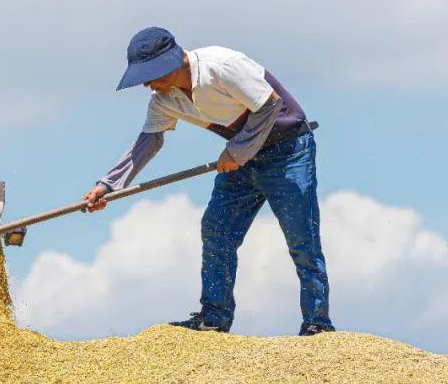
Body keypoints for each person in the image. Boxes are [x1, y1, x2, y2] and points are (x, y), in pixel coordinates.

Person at [84, 27, 334, 336]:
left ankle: (317, 322)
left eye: (151, 75)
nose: (147, 83)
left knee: (301, 238)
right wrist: (108, 185)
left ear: (174, 62)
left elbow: (270, 104)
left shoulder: (222, 65)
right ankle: (214, 317)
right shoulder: (162, 100)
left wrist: (237, 150)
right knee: (217, 230)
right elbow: (148, 142)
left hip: (289, 150)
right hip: (242, 160)